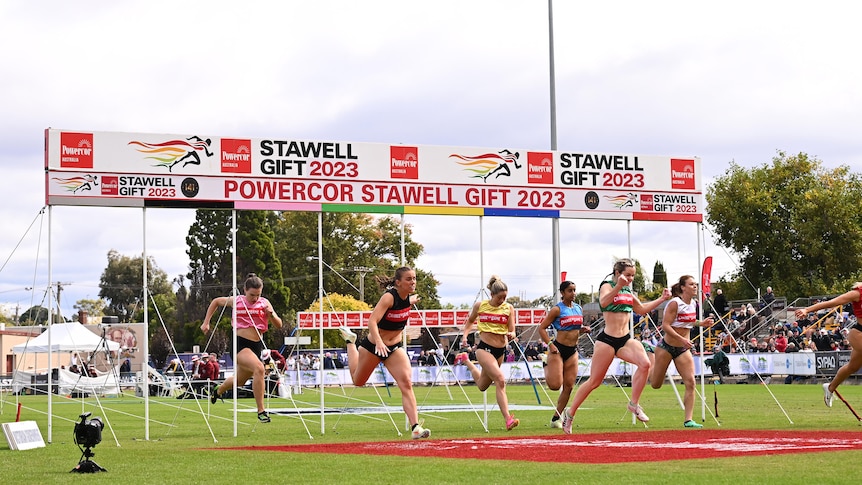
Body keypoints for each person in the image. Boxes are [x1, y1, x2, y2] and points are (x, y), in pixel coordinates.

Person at [561, 258, 671, 434]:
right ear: (617, 273)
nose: (630, 279)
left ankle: (633, 404)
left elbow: (641, 309)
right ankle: (570, 413)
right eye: (628, 275)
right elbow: (604, 302)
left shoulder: (627, 289)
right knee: (594, 382)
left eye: (633, 276)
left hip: (625, 339)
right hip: (607, 341)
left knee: (645, 364)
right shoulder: (607, 285)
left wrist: (662, 299)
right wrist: (618, 286)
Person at [337, 266, 430, 439]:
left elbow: (406, 302)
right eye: (408, 279)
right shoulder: (388, 297)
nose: (413, 282)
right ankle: (350, 342)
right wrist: (378, 342)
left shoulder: (407, 299)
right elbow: (372, 321)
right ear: (398, 282)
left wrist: (412, 300)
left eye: (414, 278)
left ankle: (415, 427)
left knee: (406, 383)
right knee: (358, 381)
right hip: (373, 346)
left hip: (394, 348)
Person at [201, 273, 283, 423]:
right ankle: (261, 411)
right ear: (245, 290)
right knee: (259, 368)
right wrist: (206, 322)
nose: (255, 298)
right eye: (252, 295)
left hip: (256, 346)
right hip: (240, 344)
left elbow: (279, 325)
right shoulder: (236, 301)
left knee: (239, 381)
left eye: (258, 295)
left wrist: (271, 316)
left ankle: (217, 391)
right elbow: (216, 302)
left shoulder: (264, 303)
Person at [648, 275, 715, 428]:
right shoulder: (674, 303)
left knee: (691, 382)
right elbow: (665, 325)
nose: (695, 287)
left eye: (696, 284)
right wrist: (682, 338)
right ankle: (650, 360)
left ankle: (688, 420)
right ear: (683, 287)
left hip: (682, 349)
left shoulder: (694, 303)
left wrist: (701, 323)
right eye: (691, 284)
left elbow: (688, 321)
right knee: (655, 384)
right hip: (666, 347)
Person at [460, 275, 520, 431]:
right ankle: (508, 419)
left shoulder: (509, 308)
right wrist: (465, 336)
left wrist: (512, 335)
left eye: (505, 297)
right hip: (484, 348)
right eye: (500, 297)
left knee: (482, 386)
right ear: (492, 295)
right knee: (500, 379)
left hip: (500, 350)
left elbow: (512, 329)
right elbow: (470, 322)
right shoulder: (480, 306)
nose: (502, 300)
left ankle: (466, 361)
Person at [795, 284, 862, 408]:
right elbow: (832, 303)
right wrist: (807, 310)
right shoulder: (857, 293)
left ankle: (830, 388)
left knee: (852, 367)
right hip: (859, 333)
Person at [538, 280, 591, 429]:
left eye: (574, 290)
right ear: (562, 293)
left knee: (569, 386)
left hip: (572, 350)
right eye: (570, 290)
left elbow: (573, 328)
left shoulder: (578, 308)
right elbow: (542, 328)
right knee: (555, 386)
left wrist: (583, 329)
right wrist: (550, 344)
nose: (573, 293)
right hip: (558, 349)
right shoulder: (557, 309)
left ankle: (556, 417)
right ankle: (545, 362)